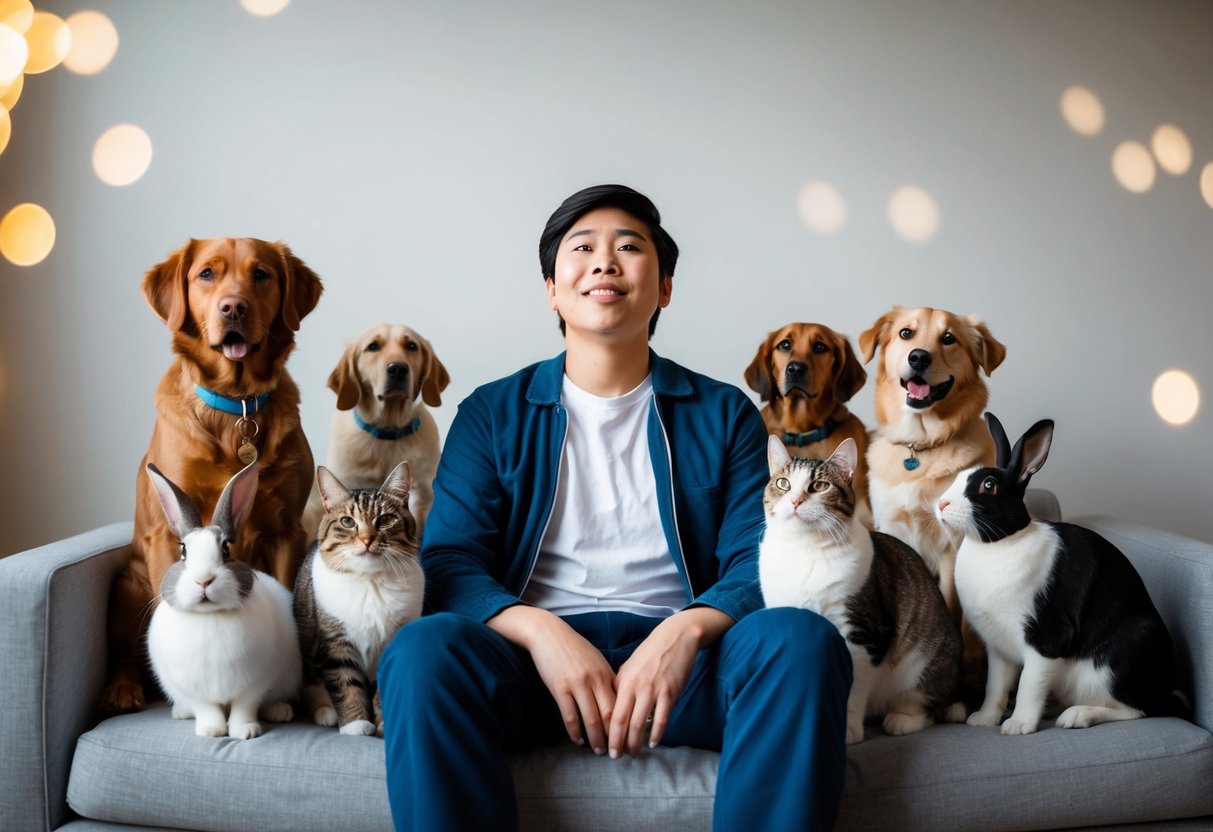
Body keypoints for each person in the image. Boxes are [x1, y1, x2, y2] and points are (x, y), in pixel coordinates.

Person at [379, 184, 851, 831]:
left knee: (801, 640)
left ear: (663, 288)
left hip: (687, 662)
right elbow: (451, 560)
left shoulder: (724, 413)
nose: (604, 262)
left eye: (629, 248)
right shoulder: (491, 413)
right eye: (583, 248)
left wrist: (681, 632)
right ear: (551, 286)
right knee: (422, 650)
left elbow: (755, 558)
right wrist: (543, 633)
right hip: (530, 665)